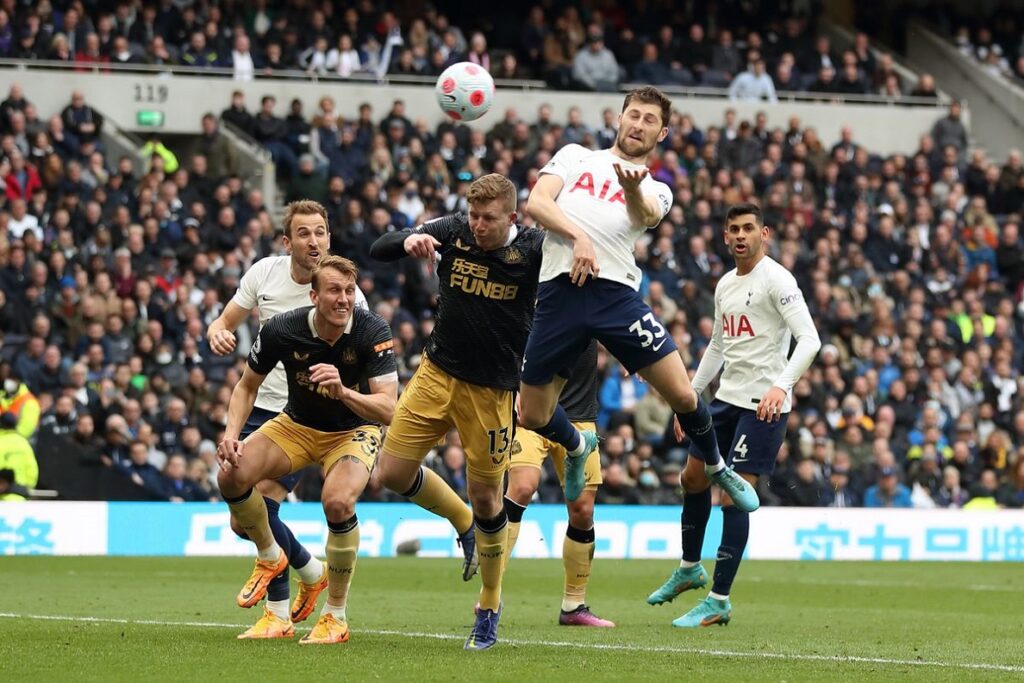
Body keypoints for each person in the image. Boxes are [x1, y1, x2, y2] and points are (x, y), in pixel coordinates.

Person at [517, 86, 759, 523]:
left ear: (662, 133)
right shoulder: (576, 156)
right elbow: (536, 202)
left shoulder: (657, 187)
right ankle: (577, 445)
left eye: (650, 120)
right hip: (559, 292)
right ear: (619, 118)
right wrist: (579, 237)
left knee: (684, 393)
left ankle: (719, 467)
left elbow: (645, 214)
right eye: (634, 115)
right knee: (531, 413)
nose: (639, 124)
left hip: (615, 297)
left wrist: (631, 189)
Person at [368, 174, 545, 650]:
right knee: (391, 471)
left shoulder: (534, 250)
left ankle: (489, 605)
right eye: (474, 216)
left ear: (512, 217)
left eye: (489, 219)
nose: (479, 226)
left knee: (489, 499)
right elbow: (378, 248)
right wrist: (411, 239)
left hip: (491, 393)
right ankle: (463, 525)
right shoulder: (453, 230)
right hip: (435, 372)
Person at [647, 203, 821, 627]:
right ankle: (689, 569)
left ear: (765, 233)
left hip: (763, 405)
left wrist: (782, 386)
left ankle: (719, 599)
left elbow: (810, 340)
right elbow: (720, 347)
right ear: (725, 237)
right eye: (733, 230)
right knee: (691, 478)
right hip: (725, 400)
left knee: (734, 494)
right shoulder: (725, 284)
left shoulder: (778, 280)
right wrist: (688, 395)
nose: (741, 236)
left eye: (748, 228)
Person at [207, 200, 368, 638]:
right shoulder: (264, 274)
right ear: (287, 241)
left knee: (260, 506)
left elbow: (363, 357)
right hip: (263, 405)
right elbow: (225, 318)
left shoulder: (345, 293)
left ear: (329, 238)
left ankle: (278, 613)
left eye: (320, 232)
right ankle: (308, 571)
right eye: (304, 233)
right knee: (244, 520)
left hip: (305, 414)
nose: (313, 240)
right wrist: (218, 330)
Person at [217, 255, 397, 644]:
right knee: (230, 475)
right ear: (313, 296)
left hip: (353, 430)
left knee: (337, 503)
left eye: (349, 291)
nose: (344, 299)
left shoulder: (371, 329)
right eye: (334, 290)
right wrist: (231, 433)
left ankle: (335, 616)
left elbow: (388, 409)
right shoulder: (283, 328)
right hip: (296, 426)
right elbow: (247, 386)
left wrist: (344, 391)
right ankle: (270, 554)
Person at [503, 341, 615, 627]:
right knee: (522, 487)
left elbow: (618, 322)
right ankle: (490, 596)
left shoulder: (596, 297)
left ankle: (573, 606)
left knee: (583, 510)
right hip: (532, 412)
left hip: (579, 415)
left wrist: (636, 358)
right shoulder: (531, 298)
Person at [0, 412, 37, 500]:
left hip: (2, 495)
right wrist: (28, 488)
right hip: (20, 495)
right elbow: (32, 468)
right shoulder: (23, 442)